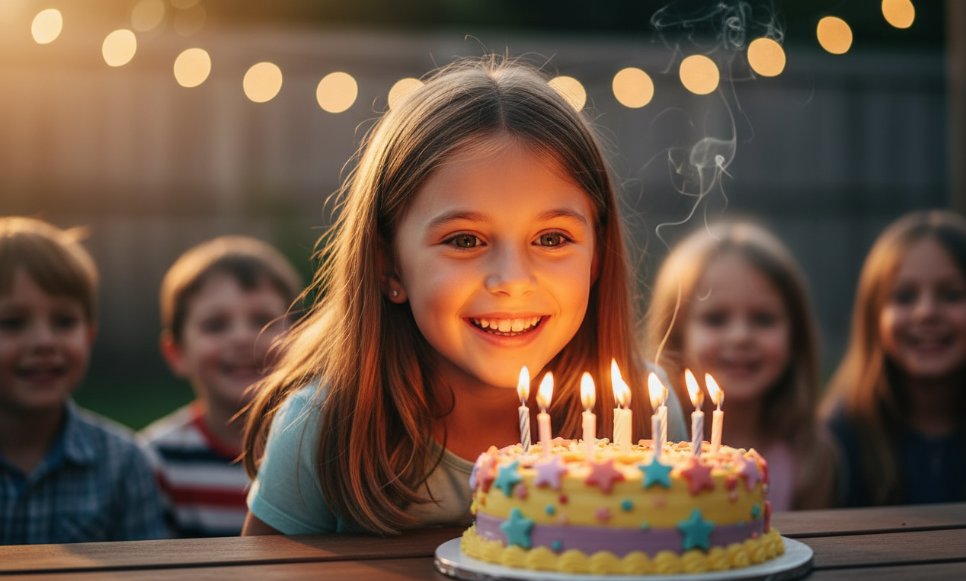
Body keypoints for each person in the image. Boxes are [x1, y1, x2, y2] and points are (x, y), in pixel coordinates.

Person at [240, 56, 687, 536]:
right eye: (465, 240)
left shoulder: (647, 413)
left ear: (597, 258)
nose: (512, 280)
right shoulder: (324, 430)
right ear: (388, 264)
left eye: (552, 239)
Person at [822, 210, 966, 506]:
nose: (926, 312)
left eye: (952, 295)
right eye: (904, 297)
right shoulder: (836, 440)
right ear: (872, 317)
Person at [646, 220, 834, 510]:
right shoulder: (649, 446)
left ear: (796, 335)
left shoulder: (811, 456)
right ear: (677, 336)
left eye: (763, 318)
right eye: (716, 318)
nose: (741, 337)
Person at [0, 216, 167, 544]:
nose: (44, 342)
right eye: (13, 322)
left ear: (89, 335)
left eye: (64, 321)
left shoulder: (123, 463)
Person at [140, 236, 303, 537]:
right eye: (215, 325)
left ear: (298, 338)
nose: (242, 337)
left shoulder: (314, 450)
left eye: (263, 320)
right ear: (177, 354)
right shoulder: (156, 461)